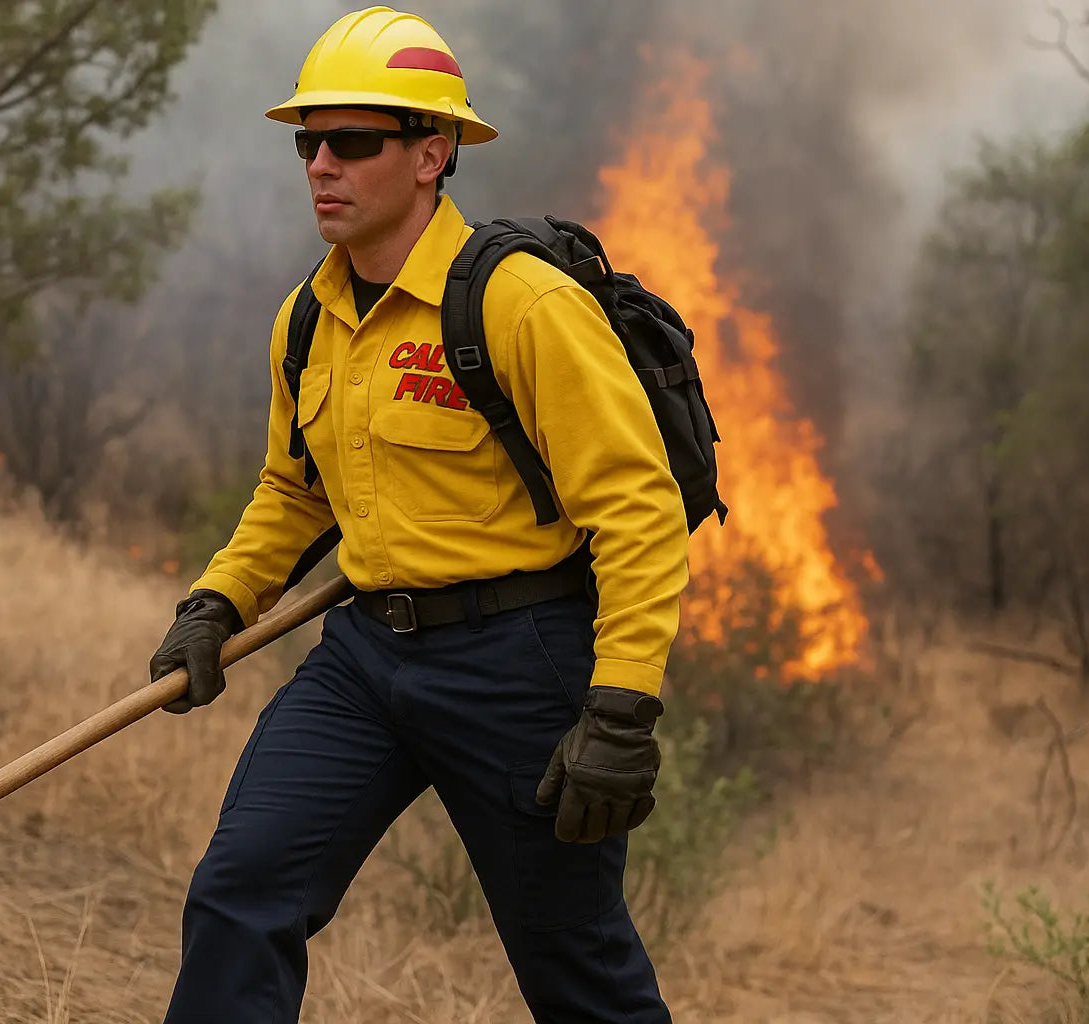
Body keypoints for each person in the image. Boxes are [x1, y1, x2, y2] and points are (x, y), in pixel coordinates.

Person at [149, 7, 690, 1022]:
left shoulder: (521, 303)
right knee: (241, 893)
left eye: (353, 142)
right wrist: (218, 599)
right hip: (363, 660)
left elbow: (639, 509)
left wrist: (621, 709)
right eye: (309, 142)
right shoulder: (309, 316)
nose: (321, 164)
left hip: (518, 665)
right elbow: (291, 489)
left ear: (432, 153)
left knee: (575, 966)